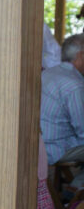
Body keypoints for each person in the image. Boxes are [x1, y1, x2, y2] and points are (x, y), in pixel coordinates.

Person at [40, 33, 84, 165]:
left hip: (40, 144)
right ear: (81, 55)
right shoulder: (74, 85)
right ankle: (78, 183)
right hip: (55, 149)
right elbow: (82, 131)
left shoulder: (48, 73)